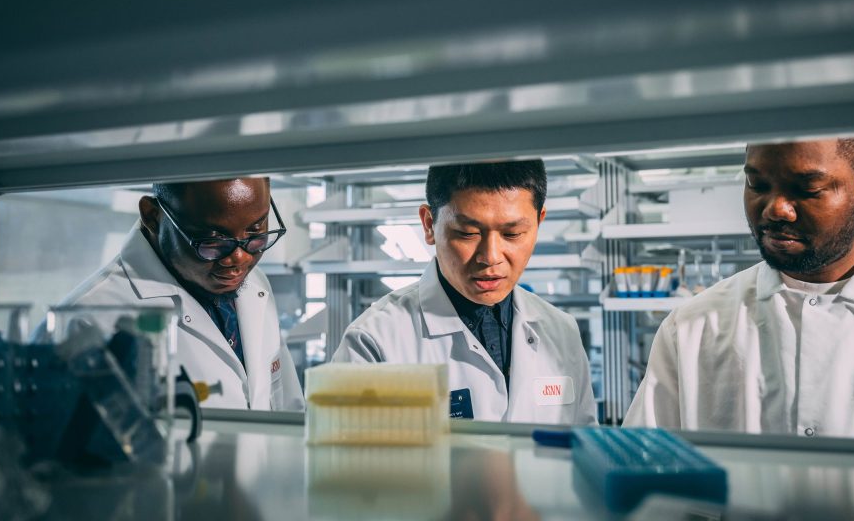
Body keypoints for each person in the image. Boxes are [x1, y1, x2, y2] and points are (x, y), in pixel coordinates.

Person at [623, 137, 854, 441]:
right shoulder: (691, 327)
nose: (776, 209)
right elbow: (639, 480)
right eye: (757, 185)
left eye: (807, 189)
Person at [332, 160, 598, 425]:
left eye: (513, 233)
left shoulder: (562, 332)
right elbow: (341, 462)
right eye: (467, 233)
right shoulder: (374, 341)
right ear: (428, 224)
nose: (491, 257)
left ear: (538, 223)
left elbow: (584, 450)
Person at [59, 177, 305, 411]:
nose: (239, 258)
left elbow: (287, 406)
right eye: (213, 241)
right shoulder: (87, 320)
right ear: (152, 217)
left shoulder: (256, 284)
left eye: (255, 235)